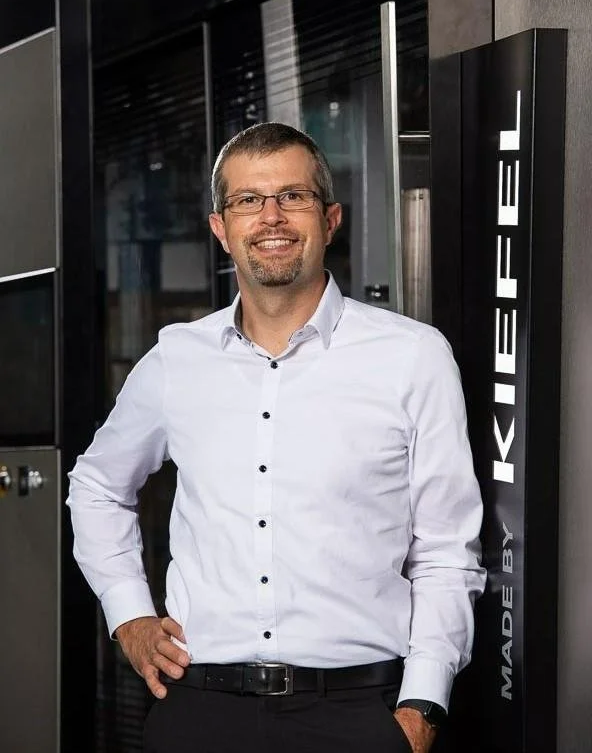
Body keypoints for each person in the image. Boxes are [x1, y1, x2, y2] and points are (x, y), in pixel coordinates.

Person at [67, 122, 485, 753]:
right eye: (247, 201)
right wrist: (129, 614)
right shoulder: (176, 359)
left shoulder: (414, 358)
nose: (271, 217)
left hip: (357, 712)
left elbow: (447, 550)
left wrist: (423, 703)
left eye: (293, 197)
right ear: (221, 228)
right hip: (200, 711)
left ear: (331, 217)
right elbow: (96, 487)